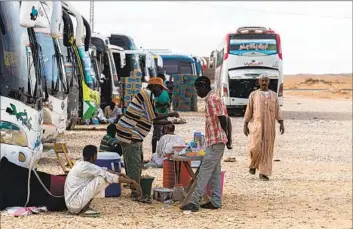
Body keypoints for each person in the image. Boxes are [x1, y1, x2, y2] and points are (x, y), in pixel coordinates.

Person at [115, 77, 179, 203]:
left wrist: (168, 120)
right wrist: (170, 115)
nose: (161, 91)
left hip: (130, 133)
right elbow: (154, 117)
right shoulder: (147, 95)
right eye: (160, 88)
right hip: (130, 134)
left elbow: (151, 118)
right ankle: (137, 194)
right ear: (154, 86)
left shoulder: (146, 95)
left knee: (134, 162)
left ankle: (134, 188)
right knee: (134, 164)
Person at [180, 76, 232, 212]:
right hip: (215, 142)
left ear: (204, 87)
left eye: (198, 89)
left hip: (216, 142)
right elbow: (225, 118)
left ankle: (194, 202)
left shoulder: (212, 99)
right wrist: (228, 139)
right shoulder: (213, 98)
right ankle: (215, 202)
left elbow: (223, 119)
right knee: (214, 173)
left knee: (203, 172)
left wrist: (227, 137)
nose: (197, 92)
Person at [64, 145, 141, 215]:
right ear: (93, 156)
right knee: (102, 179)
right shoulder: (87, 166)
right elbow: (107, 175)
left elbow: (102, 170)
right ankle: (84, 209)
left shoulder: (81, 163)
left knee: (103, 176)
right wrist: (132, 182)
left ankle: (84, 207)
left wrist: (118, 173)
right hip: (75, 204)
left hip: (72, 203)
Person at [243, 74, 284, 181]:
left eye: (266, 81)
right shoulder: (253, 95)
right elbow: (249, 110)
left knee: (267, 150)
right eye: (262, 81)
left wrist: (281, 123)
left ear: (268, 82)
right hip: (257, 126)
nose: (264, 83)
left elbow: (278, 110)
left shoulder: (274, 95)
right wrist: (245, 124)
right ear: (259, 82)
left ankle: (263, 173)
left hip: (270, 127)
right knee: (255, 147)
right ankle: (253, 165)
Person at [152, 74, 171, 155]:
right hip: (158, 116)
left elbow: (169, 101)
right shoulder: (155, 93)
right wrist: (160, 105)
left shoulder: (165, 91)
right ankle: (154, 153)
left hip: (165, 115)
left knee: (163, 136)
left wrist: (167, 105)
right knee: (156, 136)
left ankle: (161, 153)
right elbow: (153, 104)